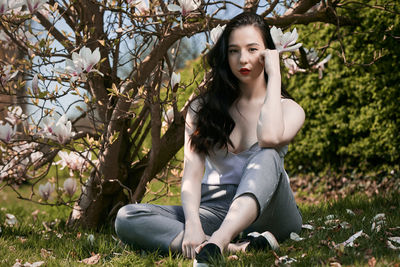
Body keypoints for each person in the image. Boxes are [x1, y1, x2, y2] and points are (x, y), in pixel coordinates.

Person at [115, 12, 305, 266]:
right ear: (224, 56)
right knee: (127, 217)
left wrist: (275, 74)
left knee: (267, 154)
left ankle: (218, 241)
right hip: (215, 208)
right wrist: (193, 224)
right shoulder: (201, 110)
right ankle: (233, 247)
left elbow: (270, 138)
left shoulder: (290, 109)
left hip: (271, 210)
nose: (243, 59)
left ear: (268, 52)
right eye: (234, 51)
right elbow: (191, 175)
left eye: (253, 49)